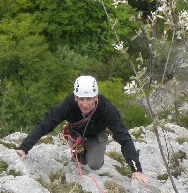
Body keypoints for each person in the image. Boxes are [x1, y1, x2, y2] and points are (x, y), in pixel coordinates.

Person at [15, 76, 149, 186]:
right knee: (80, 159)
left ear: (96, 97)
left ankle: (83, 150)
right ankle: (78, 150)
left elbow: (124, 138)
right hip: (76, 132)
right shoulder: (68, 105)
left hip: (97, 133)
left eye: (89, 99)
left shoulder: (107, 109)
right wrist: (24, 147)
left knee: (95, 165)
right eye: (81, 99)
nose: (85, 104)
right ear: (75, 98)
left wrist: (136, 169)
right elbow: (46, 123)